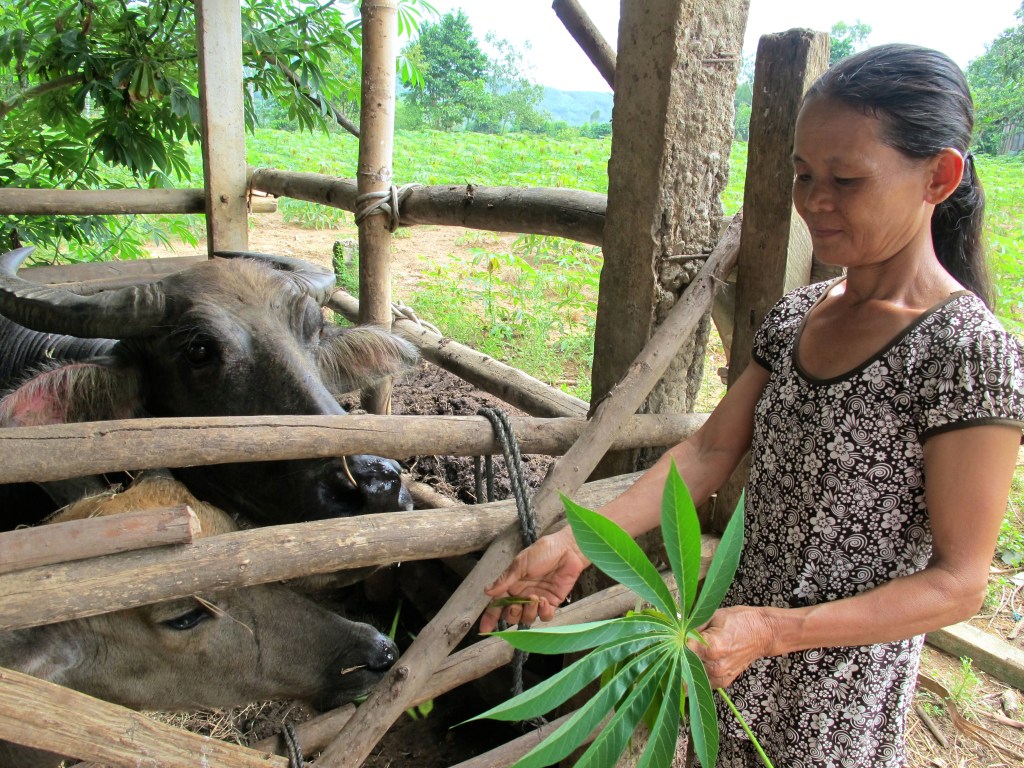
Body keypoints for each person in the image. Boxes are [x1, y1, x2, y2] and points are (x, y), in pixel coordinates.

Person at [480, 43, 1024, 767]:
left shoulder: (964, 352)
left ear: (940, 176)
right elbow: (707, 452)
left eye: (846, 178)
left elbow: (958, 586)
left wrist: (776, 631)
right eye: (803, 174)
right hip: (730, 652)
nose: (814, 201)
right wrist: (582, 543)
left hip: (838, 688)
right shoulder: (799, 315)